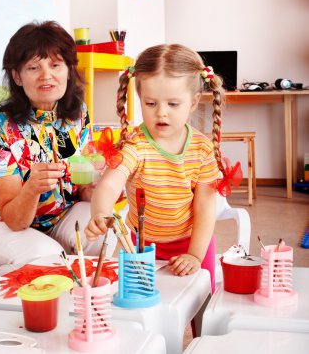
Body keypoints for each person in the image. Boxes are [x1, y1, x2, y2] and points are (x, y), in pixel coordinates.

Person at [85, 44, 238, 292]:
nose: (161, 113)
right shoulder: (135, 144)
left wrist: (195, 256)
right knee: (142, 299)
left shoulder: (201, 149)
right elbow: (109, 184)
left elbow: (205, 208)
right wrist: (101, 212)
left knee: (199, 299)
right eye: (151, 103)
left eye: (173, 104)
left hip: (193, 241)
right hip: (142, 244)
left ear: (193, 102)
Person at [0, 21, 105, 280]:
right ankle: (1, 278)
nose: (46, 75)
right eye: (33, 67)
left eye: (55, 65)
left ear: (68, 70)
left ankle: (18, 273)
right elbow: (14, 219)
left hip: (57, 219)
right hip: (0, 225)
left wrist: (102, 182)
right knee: (48, 258)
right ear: (17, 76)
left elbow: (85, 191)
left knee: (105, 228)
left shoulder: (78, 115)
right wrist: (32, 188)